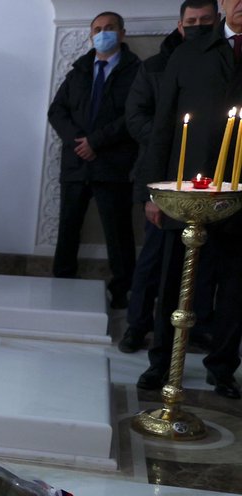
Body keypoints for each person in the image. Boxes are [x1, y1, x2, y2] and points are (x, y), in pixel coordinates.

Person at [137, 0, 242, 399]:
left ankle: (223, 368)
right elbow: (163, 122)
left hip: (239, 192)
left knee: (234, 286)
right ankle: (160, 362)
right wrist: (154, 191)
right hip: (186, 190)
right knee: (174, 281)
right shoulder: (191, 51)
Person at [120, 1, 220, 354]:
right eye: (191, 21)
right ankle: (137, 325)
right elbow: (136, 116)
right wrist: (178, 141)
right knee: (153, 260)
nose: (197, 26)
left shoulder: (222, 64)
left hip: (205, 180)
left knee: (202, 260)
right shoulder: (155, 67)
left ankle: (198, 326)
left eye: (205, 21)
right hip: (159, 173)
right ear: (179, 25)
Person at [48, 12, 142, 309]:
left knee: (117, 231)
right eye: (98, 29)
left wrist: (96, 142)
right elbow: (57, 111)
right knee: (68, 227)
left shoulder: (136, 72)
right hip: (76, 163)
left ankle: (122, 291)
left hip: (112, 165)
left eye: (109, 29)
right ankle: (61, 282)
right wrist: (79, 141)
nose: (103, 34)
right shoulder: (80, 70)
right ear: (91, 36)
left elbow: (133, 116)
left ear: (122, 34)